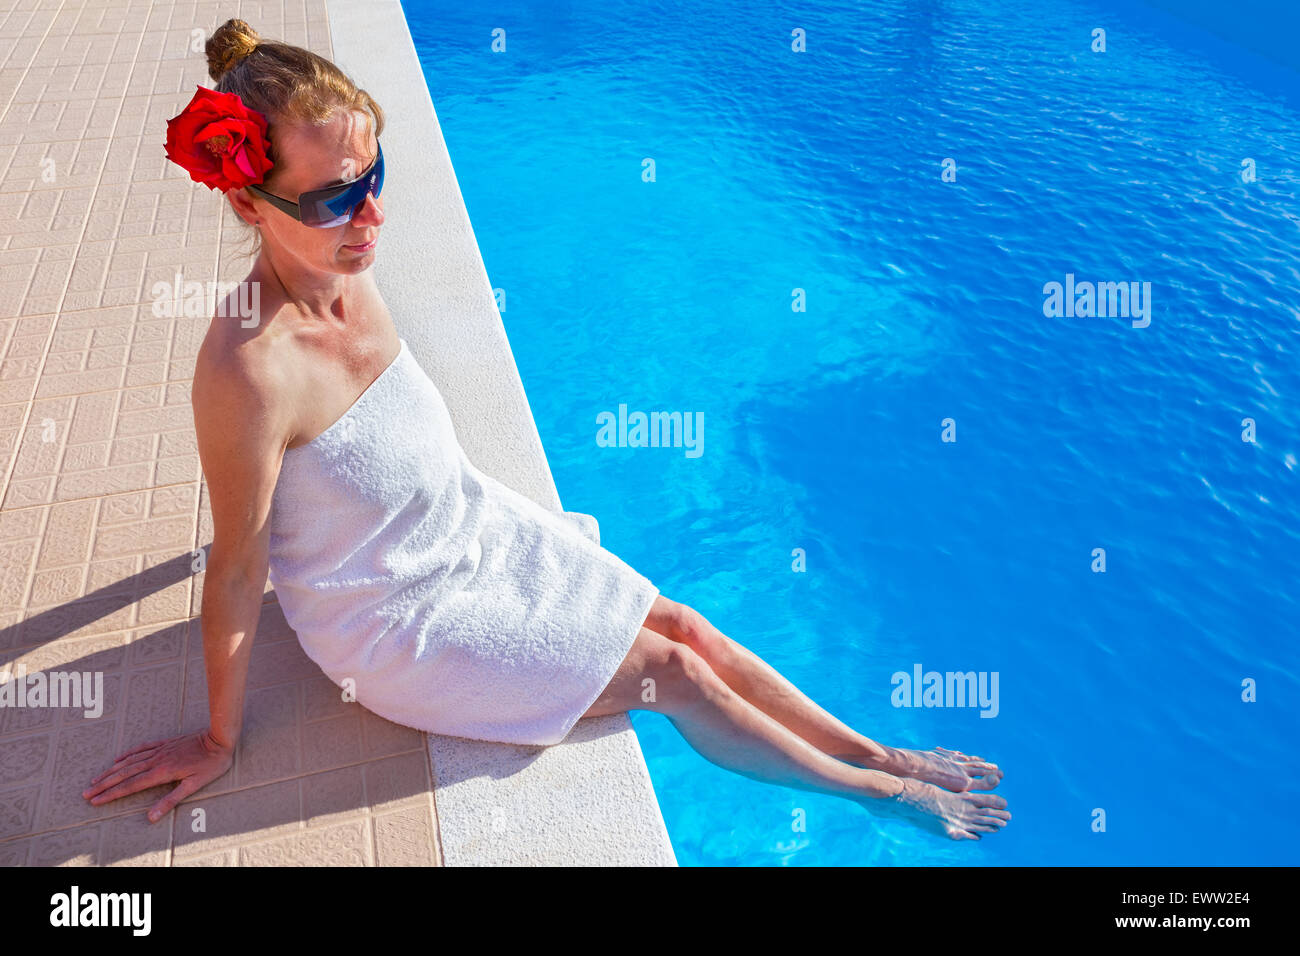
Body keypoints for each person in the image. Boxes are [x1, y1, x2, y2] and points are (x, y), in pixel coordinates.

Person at [83, 19, 1009, 844]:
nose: (372, 215)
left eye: (373, 178)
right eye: (332, 199)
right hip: (394, 621)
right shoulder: (249, 369)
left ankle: (878, 750)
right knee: (669, 671)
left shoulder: (349, 269)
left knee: (680, 617)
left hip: (465, 530)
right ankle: (871, 794)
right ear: (249, 202)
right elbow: (239, 567)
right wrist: (216, 739)